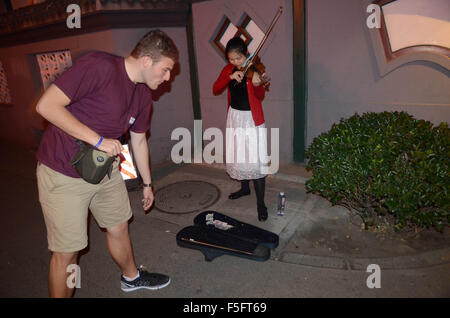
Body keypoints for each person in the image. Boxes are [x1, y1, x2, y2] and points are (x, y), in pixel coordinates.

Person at [35, 29, 178, 297]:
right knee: (67, 251)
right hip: (62, 170)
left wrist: (147, 184)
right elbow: (46, 106)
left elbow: (138, 142)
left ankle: (131, 278)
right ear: (147, 60)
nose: (169, 77)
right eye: (166, 69)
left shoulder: (144, 95)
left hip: (105, 167)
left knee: (119, 225)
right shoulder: (98, 67)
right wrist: (98, 140)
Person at [213, 37, 269, 222]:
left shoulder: (254, 70)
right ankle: (245, 189)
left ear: (245, 54)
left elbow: (260, 96)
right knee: (240, 154)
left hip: (252, 119)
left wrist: (257, 84)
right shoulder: (228, 69)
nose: (235, 62)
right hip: (235, 117)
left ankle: (261, 203)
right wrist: (229, 76)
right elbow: (216, 88)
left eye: (238, 58)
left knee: (255, 160)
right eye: (231, 59)